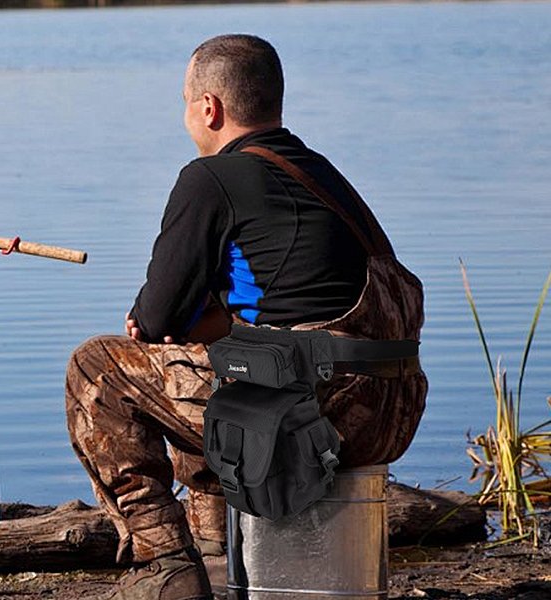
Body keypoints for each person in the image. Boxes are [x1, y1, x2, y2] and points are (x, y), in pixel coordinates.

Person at [64, 34, 427, 600]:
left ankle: (164, 564)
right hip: (391, 408)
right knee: (207, 367)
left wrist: (164, 322)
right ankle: (217, 556)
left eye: (185, 102)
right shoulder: (320, 174)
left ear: (208, 107)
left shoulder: (209, 178)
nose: (185, 115)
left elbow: (155, 315)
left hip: (315, 408)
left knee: (99, 368)